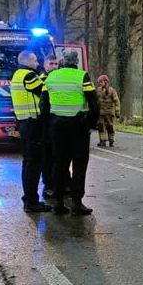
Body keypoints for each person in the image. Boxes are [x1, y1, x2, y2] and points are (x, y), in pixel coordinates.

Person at [39, 51, 99, 216]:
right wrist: (90, 124)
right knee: (79, 164)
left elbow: (43, 104)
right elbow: (94, 102)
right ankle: (76, 202)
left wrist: (49, 124)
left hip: (57, 127)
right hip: (78, 126)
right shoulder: (82, 76)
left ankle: (58, 202)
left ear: (62, 61)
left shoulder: (50, 77)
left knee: (59, 164)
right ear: (77, 61)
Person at [10, 50, 51, 213]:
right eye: (34, 60)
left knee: (28, 163)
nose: (37, 63)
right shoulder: (29, 76)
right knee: (34, 164)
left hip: (24, 123)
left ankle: (29, 197)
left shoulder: (17, 75)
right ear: (27, 61)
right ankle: (31, 201)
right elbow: (45, 93)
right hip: (33, 124)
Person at [39, 54, 61, 199]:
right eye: (51, 64)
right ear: (45, 64)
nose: (54, 67)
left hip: (57, 124)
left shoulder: (59, 79)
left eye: (56, 64)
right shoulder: (41, 80)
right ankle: (48, 184)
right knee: (47, 157)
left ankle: (61, 184)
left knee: (59, 156)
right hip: (45, 124)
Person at [96, 75, 120, 147]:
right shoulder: (98, 90)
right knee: (100, 126)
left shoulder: (112, 91)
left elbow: (117, 102)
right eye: (99, 82)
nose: (100, 83)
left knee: (110, 126)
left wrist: (117, 112)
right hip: (101, 113)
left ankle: (111, 140)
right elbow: (95, 101)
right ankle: (102, 141)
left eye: (101, 82)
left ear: (106, 82)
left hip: (109, 113)